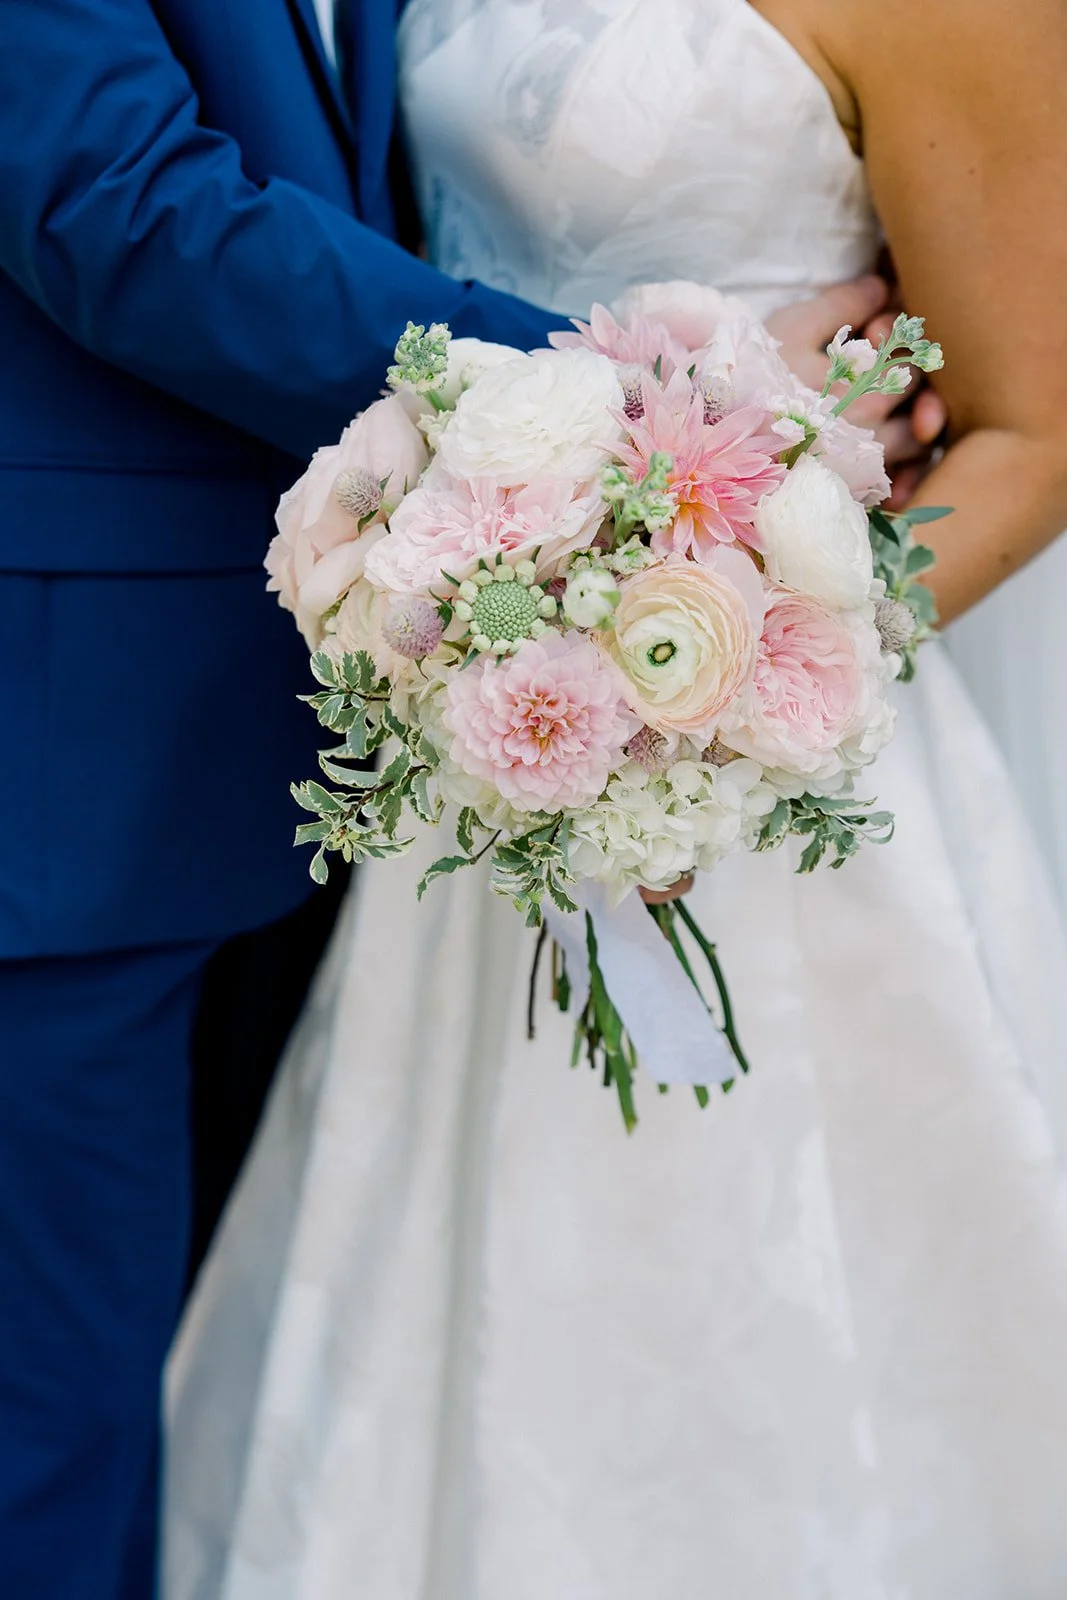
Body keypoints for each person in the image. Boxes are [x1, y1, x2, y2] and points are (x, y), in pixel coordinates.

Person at [0, 1, 925, 1595]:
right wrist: (651, 409)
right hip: (84, 759)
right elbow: (124, 201)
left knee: (227, 1373)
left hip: (363, 762)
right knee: (51, 1426)